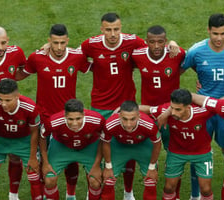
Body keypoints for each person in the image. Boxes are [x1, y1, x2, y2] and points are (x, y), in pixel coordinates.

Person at [81, 13, 178, 200]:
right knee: (99, 145)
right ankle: (93, 186)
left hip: (127, 105)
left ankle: (128, 191)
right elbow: (75, 56)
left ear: (121, 27)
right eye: (108, 30)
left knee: (130, 143)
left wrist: (171, 42)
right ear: (101, 29)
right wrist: (93, 67)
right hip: (100, 105)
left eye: (116, 29)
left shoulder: (133, 41)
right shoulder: (90, 44)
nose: (112, 34)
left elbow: (155, 46)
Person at [15, 24, 90, 200]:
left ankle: (70, 195)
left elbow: (95, 65)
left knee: (71, 157)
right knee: (42, 158)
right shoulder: (36, 58)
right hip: (44, 117)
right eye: (55, 43)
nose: (58, 47)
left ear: (67, 41)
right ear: (49, 41)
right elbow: (19, 75)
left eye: (62, 43)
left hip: (68, 118)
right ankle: (43, 194)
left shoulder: (77, 57)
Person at [181, 13, 224, 200]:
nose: (219, 38)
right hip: (203, 108)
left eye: (223, 34)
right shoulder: (196, 51)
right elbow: (177, 69)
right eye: (215, 34)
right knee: (198, 151)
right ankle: (195, 196)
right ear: (208, 31)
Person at [132, 25, 185, 199]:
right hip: (148, 114)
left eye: (160, 42)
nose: (156, 46)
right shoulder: (138, 55)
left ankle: (174, 194)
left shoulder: (176, 54)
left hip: (172, 113)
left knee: (175, 153)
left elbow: (196, 62)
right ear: (145, 42)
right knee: (145, 153)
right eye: (152, 42)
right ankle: (144, 186)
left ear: (166, 41)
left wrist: (174, 43)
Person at [140, 89, 214, 200]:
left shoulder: (201, 112)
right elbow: (148, 109)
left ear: (188, 107)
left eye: (178, 109)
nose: (173, 112)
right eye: (172, 108)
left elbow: (221, 103)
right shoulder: (166, 111)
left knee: (206, 189)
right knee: (169, 188)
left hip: (202, 153)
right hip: (176, 153)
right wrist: (122, 108)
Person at [0, 26, 27, 200]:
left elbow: (23, 71)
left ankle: (13, 195)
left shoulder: (16, 53)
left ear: (8, 41)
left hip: (10, 113)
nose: (0, 47)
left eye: (3, 42)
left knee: (15, 154)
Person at [0, 79, 43, 200]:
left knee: (33, 176)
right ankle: (12, 197)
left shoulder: (30, 107)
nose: (3, 104)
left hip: (23, 141)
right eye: (0, 99)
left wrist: (33, 157)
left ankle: (13, 196)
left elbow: (35, 132)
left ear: (17, 96)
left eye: (8, 100)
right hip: (0, 140)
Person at [40, 99, 105, 200]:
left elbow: (104, 139)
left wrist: (97, 165)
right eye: (70, 119)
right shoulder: (54, 121)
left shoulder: (97, 120)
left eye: (78, 118)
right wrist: (45, 163)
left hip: (88, 146)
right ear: (65, 115)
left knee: (95, 182)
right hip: (62, 146)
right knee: (49, 180)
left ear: (83, 114)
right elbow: (42, 137)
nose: (74, 123)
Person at [100, 100, 161, 200]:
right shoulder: (110, 123)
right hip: (120, 147)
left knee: (150, 181)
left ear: (139, 116)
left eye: (132, 119)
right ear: (119, 116)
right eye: (125, 119)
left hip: (142, 146)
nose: (128, 124)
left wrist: (152, 167)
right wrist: (108, 166)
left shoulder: (149, 124)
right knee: (108, 180)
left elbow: (157, 143)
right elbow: (106, 142)